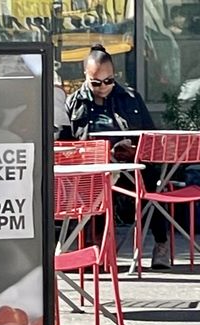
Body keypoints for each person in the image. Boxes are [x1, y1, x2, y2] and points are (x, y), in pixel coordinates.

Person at [64, 43, 170, 269]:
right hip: (95, 167)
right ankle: (99, 250)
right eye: (95, 82)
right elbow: (66, 141)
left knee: (151, 182)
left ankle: (161, 243)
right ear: (86, 76)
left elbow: (149, 135)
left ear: (115, 76)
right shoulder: (74, 102)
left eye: (109, 81)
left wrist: (133, 149)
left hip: (131, 164)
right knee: (97, 188)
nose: (103, 87)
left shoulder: (130, 98)